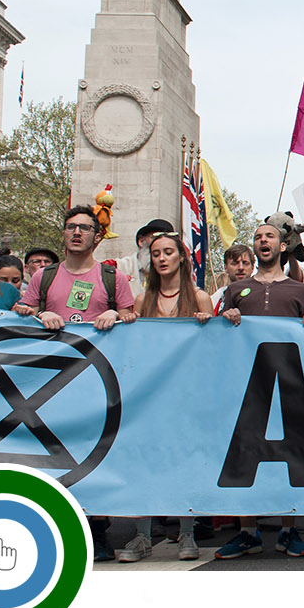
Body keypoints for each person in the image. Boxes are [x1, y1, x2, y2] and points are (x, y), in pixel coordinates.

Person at [11, 206, 137, 560]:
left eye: (85, 228)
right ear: (64, 234)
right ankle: (55, 530)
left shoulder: (113, 280)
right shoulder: (44, 278)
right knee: (51, 457)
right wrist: (38, 313)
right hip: (49, 384)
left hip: (96, 384)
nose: (77, 233)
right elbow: (19, 316)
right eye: (71, 227)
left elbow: (133, 317)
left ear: (97, 237)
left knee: (95, 457)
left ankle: (97, 533)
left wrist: (116, 313)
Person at [216, 220, 304, 560]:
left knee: (296, 452)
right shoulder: (235, 291)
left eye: (270, 236)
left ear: (282, 246)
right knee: (244, 452)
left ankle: (290, 529)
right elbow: (214, 336)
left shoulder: (299, 292)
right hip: (246, 385)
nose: (263, 241)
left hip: (290, 385)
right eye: (258, 237)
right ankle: (248, 532)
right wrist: (225, 318)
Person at [116, 231, 215, 562]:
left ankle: (186, 532)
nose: (161, 258)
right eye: (156, 253)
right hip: (150, 396)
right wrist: (127, 320)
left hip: (187, 395)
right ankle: (141, 536)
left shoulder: (199, 298)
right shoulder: (143, 301)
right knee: (144, 461)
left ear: (182, 258)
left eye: (168, 252)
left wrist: (208, 323)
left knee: (183, 461)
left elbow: (213, 349)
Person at [112, 218, 175, 296]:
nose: (160, 242)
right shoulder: (120, 267)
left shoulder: (175, 271)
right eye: (155, 237)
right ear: (141, 241)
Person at [211, 243, 255, 314]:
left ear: (252, 267)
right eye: (235, 263)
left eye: (245, 263)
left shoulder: (262, 293)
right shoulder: (218, 297)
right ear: (225, 268)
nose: (241, 267)